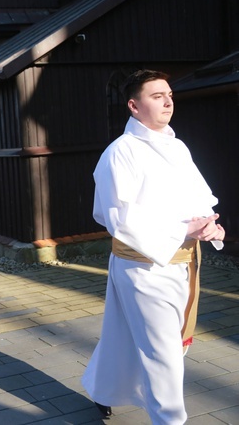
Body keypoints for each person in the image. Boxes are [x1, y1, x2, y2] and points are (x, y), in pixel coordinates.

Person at [81, 69, 225, 423]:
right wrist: (182, 229)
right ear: (133, 106)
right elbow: (119, 218)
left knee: (125, 338)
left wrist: (210, 225)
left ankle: (103, 389)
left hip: (183, 260)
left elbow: (200, 198)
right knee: (163, 352)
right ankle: (171, 419)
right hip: (145, 265)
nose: (168, 101)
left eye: (170, 95)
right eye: (157, 95)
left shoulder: (177, 147)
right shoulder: (121, 152)